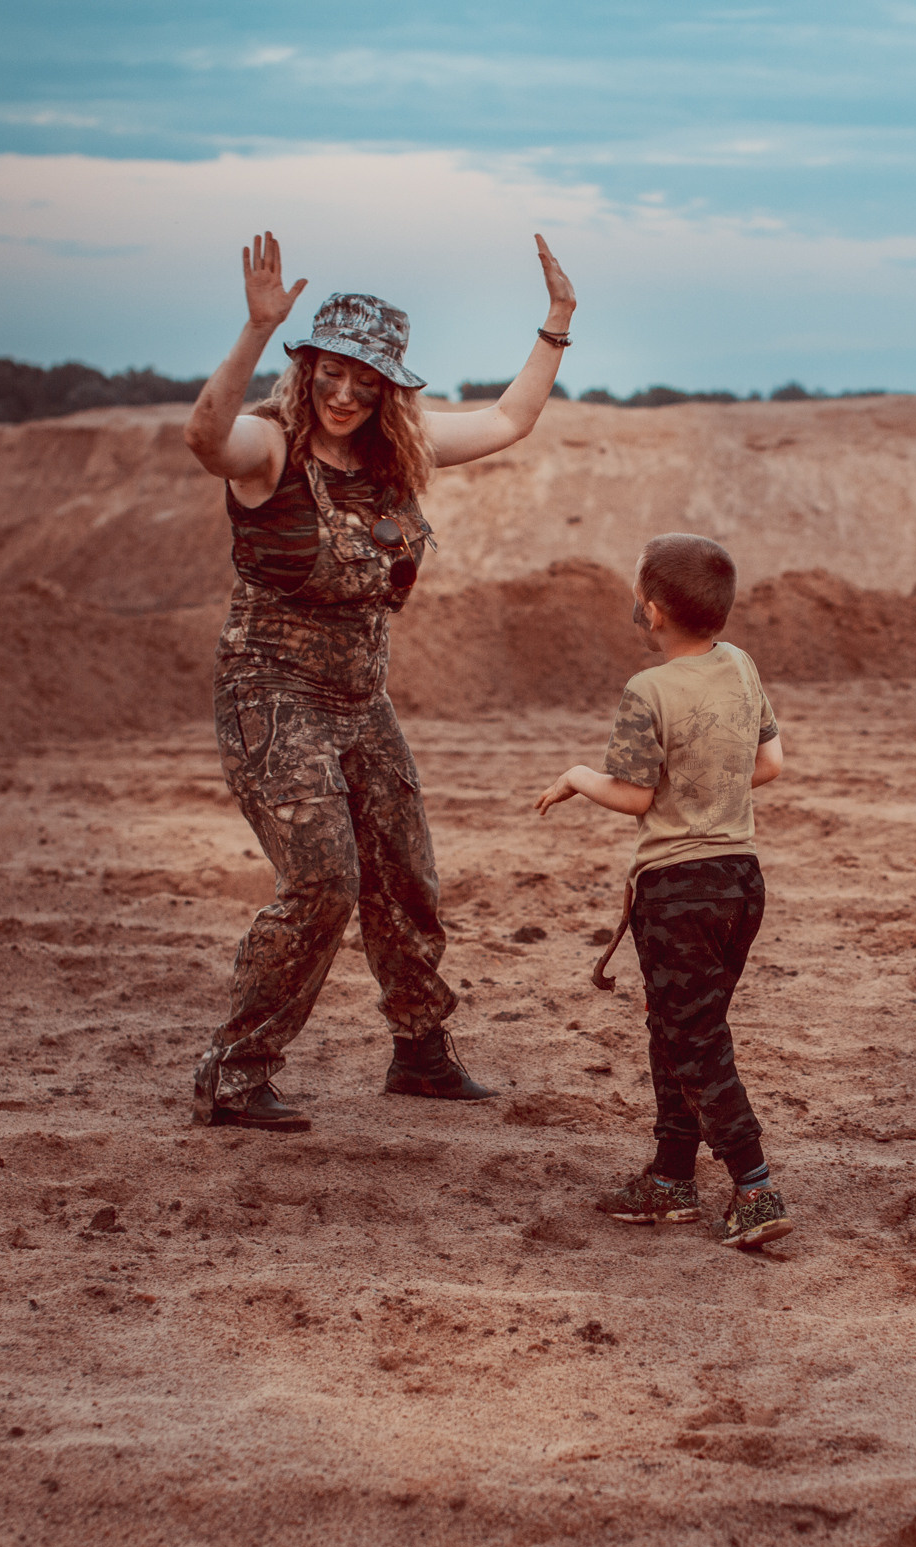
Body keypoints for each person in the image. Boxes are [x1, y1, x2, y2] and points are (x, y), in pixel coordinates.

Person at [180, 230, 576, 1132]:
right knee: (324, 878)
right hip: (270, 694)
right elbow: (203, 436)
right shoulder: (269, 449)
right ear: (310, 367)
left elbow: (511, 420)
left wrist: (555, 326)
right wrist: (254, 330)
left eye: (369, 378)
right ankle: (235, 1074)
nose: (348, 392)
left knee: (404, 874)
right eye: (334, 372)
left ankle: (420, 1054)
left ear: (390, 384)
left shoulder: (401, 453)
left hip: (361, 701)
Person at [532, 535, 794, 1248]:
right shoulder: (740, 665)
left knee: (697, 1040)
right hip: (741, 883)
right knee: (676, 1030)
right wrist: (709, 786)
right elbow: (770, 762)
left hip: (678, 892)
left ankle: (756, 1187)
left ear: (651, 610)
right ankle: (672, 1174)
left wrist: (580, 776)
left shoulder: (646, 692)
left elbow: (636, 793)